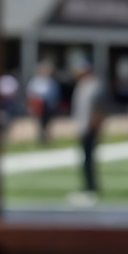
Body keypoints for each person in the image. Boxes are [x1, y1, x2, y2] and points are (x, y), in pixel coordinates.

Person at [67, 55, 107, 203]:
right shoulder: (82, 85)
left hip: (90, 128)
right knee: (85, 159)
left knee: (89, 159)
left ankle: (91, 188)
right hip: (83, 126)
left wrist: (93, 126)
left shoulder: (94, 85)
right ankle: (88, 187)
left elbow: (98, 109)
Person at [25, 60, 61, 147]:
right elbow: (30, 94)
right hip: (39, 105)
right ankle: (41, 139)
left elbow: (55, 93)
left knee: (48, 123)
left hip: (49, 105)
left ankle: (47, 139)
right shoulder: (35, 81)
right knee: (39, 123)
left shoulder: (51, 81)